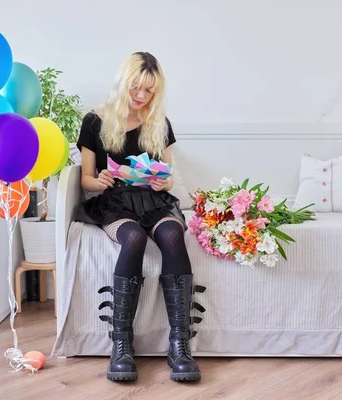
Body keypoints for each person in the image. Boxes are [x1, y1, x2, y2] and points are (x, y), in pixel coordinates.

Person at [75, 52, 206, 382]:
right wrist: (100, 180)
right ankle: (121, 344)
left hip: (154, 199)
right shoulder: (95, 121)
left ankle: (179, 345)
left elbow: (169, 175)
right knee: (132, 238)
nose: (141, 96)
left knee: (173, 235)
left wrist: (165, 180)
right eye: (136, 87)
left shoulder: (159, 124)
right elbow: (86, 179)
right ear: (123, 83)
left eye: (149, 90)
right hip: (115, 202)